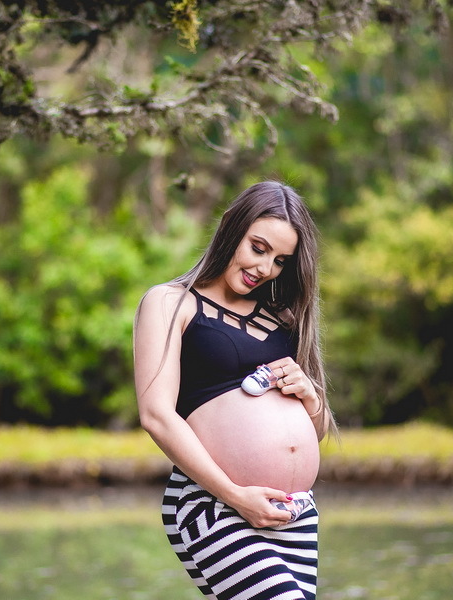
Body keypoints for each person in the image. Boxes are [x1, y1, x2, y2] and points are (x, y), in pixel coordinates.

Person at [133, 180, 337, 600]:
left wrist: (311, 398)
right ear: (230, 226)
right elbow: (156, 415)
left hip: (293, 511)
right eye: (258, 248)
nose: (265, 268)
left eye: (280, 261)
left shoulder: (285, 318)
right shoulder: (171, 303)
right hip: (216, 504)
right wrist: (235, 495)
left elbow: (313, 433)